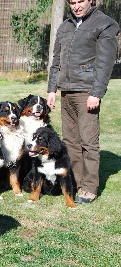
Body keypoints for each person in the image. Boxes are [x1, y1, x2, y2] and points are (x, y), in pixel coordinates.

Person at [47, 0, 119, 204]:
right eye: (72, 2)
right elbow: (56, 61)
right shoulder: (65, 26)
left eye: (81, 1)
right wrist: (52, 89)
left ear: (91, 1)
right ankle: (76, 181)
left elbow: (105, 64)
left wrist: (96, 93)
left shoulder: (105, 24)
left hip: (87, 92)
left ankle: (89, 187)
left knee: (88, 141)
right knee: (70, 141)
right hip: (66, 91)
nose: (76, 6)